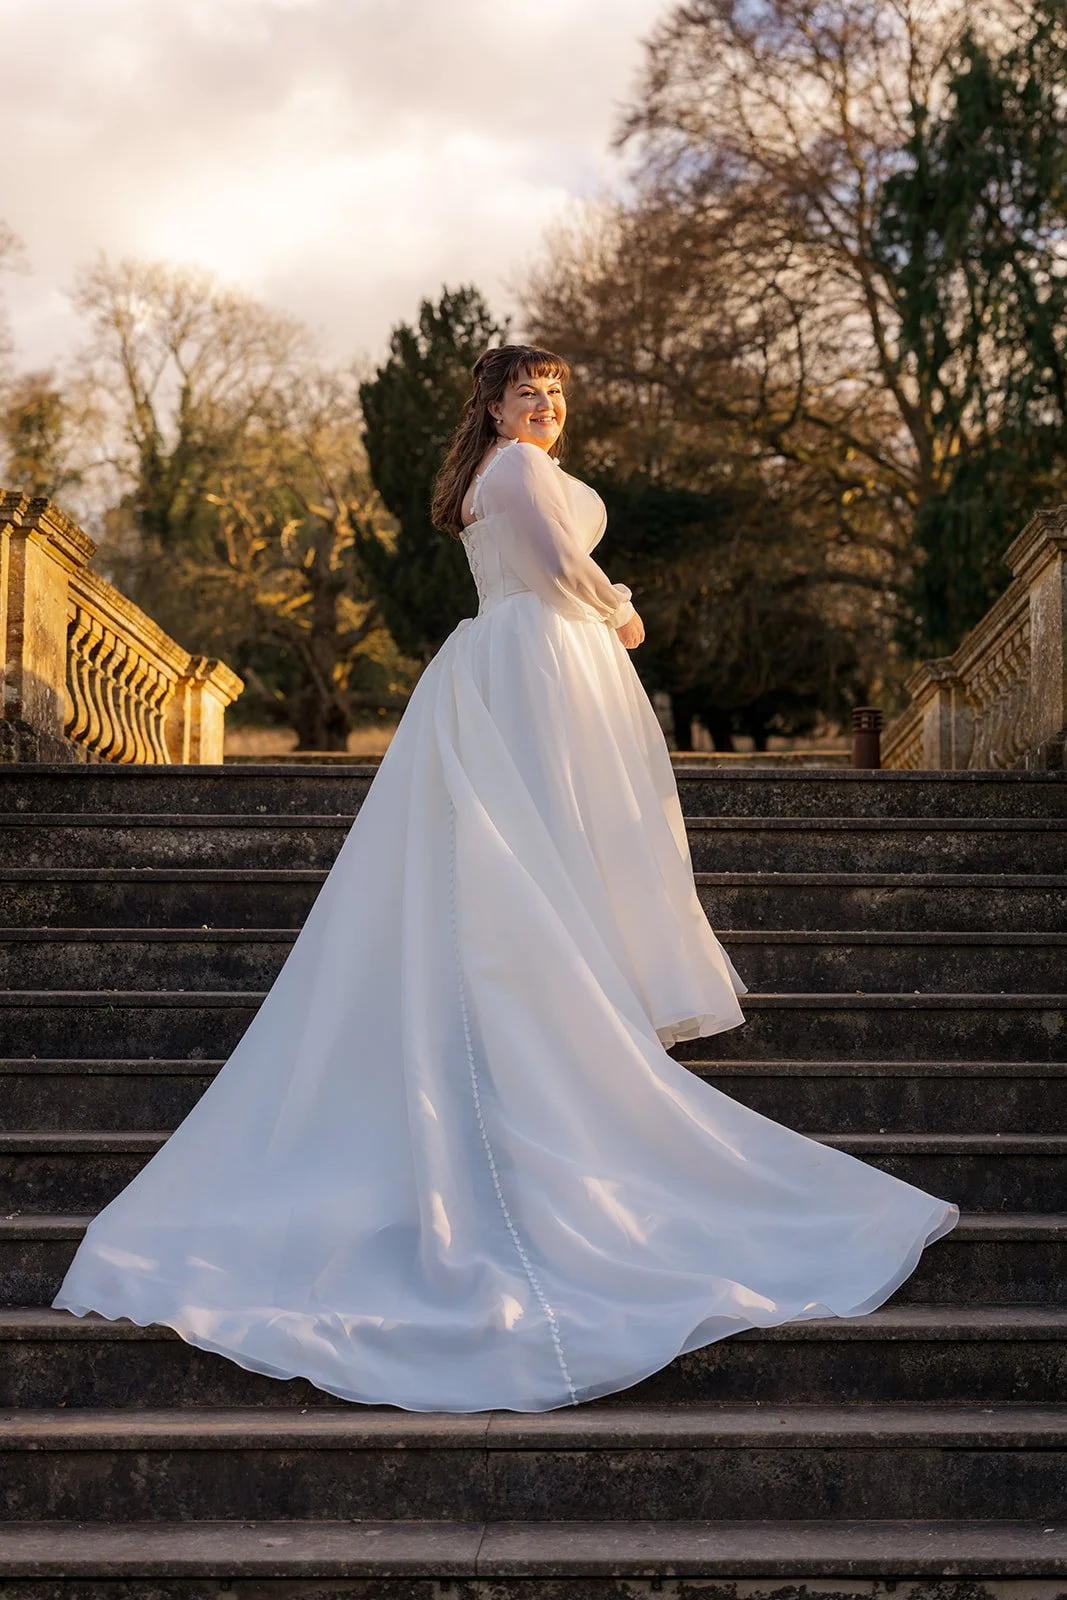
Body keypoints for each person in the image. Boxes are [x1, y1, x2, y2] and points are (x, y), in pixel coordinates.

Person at [52, 343, 958, 1413]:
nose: (546, 405)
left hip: (519, 654)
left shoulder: (498, 471)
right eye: (528, 391)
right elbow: (560, 568)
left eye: (556, 391)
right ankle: (550, 1024)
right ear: (491, 406)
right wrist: (623, 611)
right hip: (539, 655)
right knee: (546, 837)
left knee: (535, 843)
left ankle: (551, 1006)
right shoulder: (518, 469)